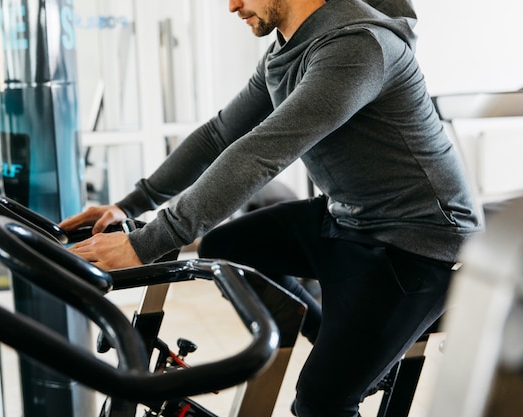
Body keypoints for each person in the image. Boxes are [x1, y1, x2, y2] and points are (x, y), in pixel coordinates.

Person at [60, 0, 483, 415]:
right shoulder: (287, 48)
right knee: (228, 248)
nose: (231, 6)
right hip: (349, 217)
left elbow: (261, 154)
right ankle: (348, 348)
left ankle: (361, 359)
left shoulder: (360, 46)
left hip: (419, 240)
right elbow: (218, 135)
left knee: (321, 403)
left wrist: (149, 241)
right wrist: (130, 205)